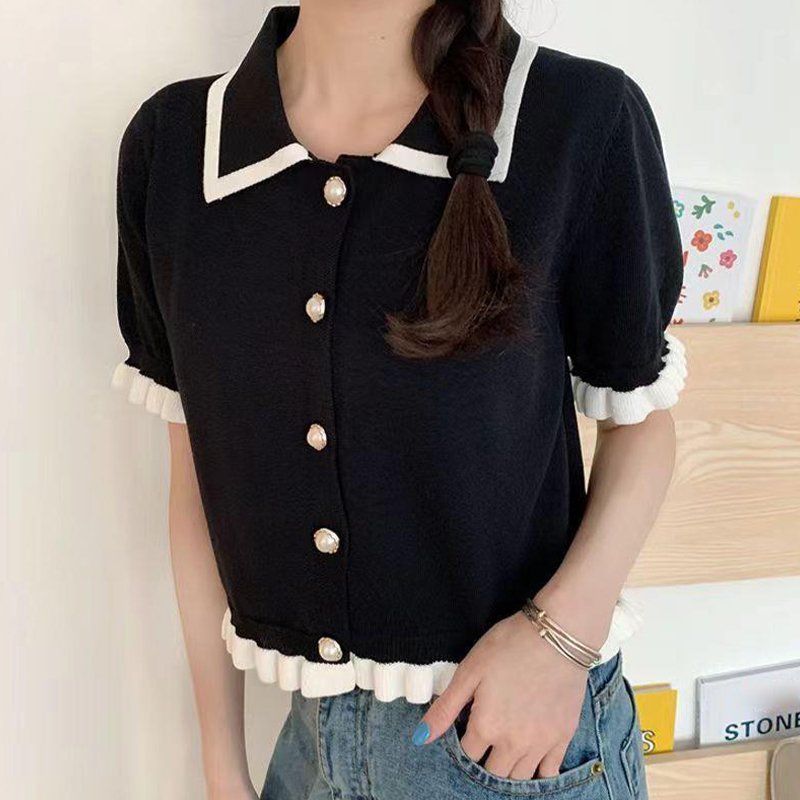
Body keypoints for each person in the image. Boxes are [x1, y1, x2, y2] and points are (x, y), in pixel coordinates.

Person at [110, 2, 687, 798]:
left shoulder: (578, 118)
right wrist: (221, 764)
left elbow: (642, 427)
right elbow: (194, 479)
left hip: (514, 745)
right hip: (303, 757)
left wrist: (559, 642)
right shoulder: (174, 147)